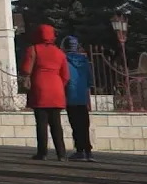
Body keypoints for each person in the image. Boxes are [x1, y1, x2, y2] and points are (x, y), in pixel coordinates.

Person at [20, 24, 69, 161]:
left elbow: (25, 69)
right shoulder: (60, 53)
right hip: (57, 90)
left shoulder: (33, 49)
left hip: (39, 89)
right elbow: (66, 75)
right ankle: (61, 154)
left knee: (41, 123)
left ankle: (42, 153)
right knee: (56, 124)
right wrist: (59, 85)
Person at [62, 35, 95, 162]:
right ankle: (88, 151)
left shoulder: (64, 60)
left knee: (75, 124)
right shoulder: (84, 60)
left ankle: (80, 150)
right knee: (84, 124)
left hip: (70, 95)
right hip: (82, 96)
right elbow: (89, 80)